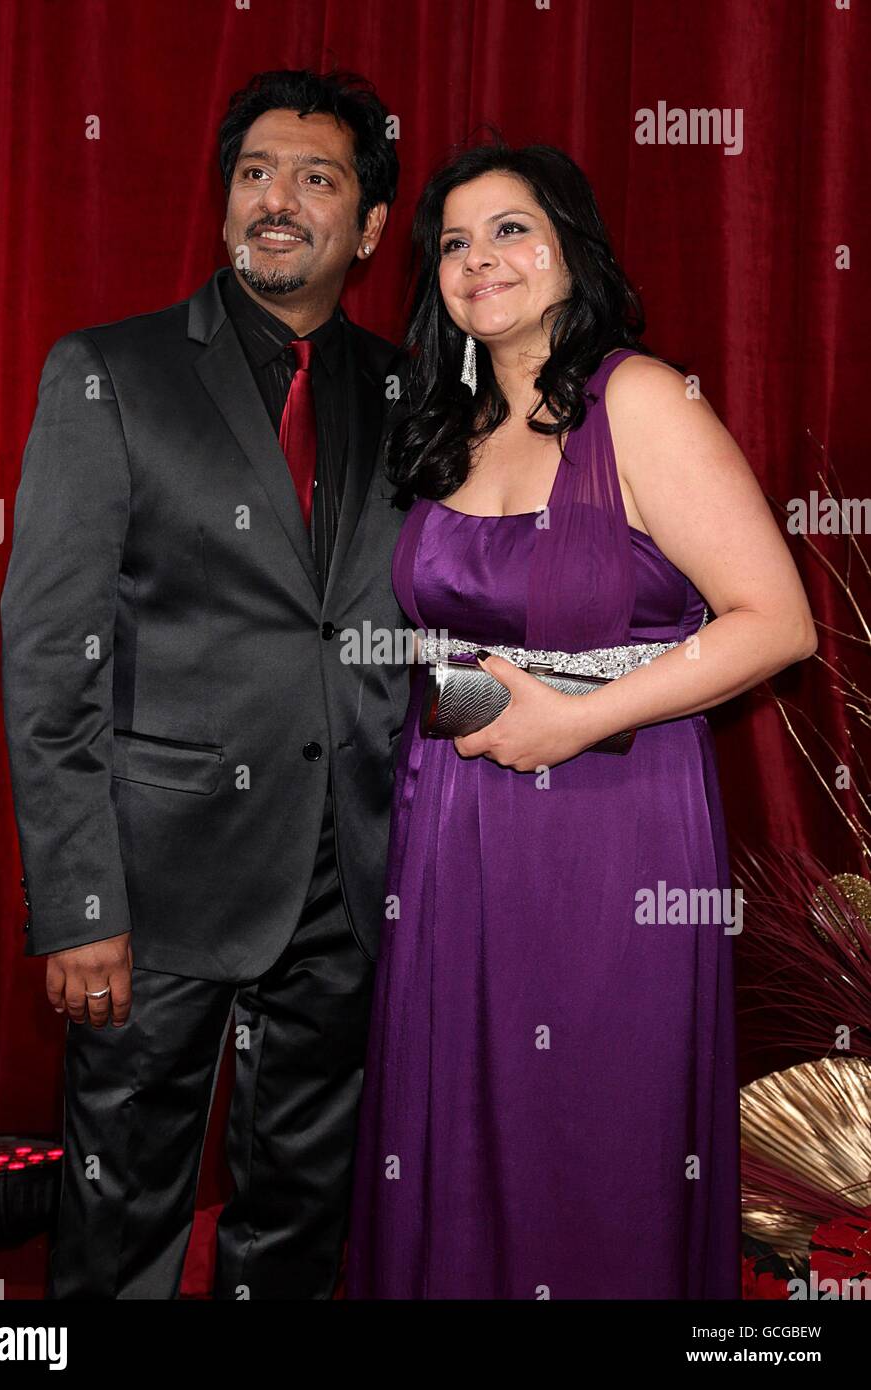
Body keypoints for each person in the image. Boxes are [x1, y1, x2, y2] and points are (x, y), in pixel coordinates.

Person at [345, 140, 818, 1299]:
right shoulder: (445, 424)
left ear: (571, 248)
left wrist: (571, 721)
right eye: (453, 242)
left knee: (594, 1119)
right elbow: (449, 646)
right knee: (457, 1111)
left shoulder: (641, 400)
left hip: (614, 821)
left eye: (510, 228)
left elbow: (776, 622)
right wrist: (471, 719)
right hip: (454, 818)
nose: (478, 259)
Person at [0, 68, 410, 1300]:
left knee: (295, 1219)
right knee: (120, 1220)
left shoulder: (410, 395)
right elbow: (45, 651)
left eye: (315, 178)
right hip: (153, 884)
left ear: (372, 228)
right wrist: (79, 902)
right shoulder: (107, 372)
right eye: (253, 174)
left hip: (350, 879)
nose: (275, 201)